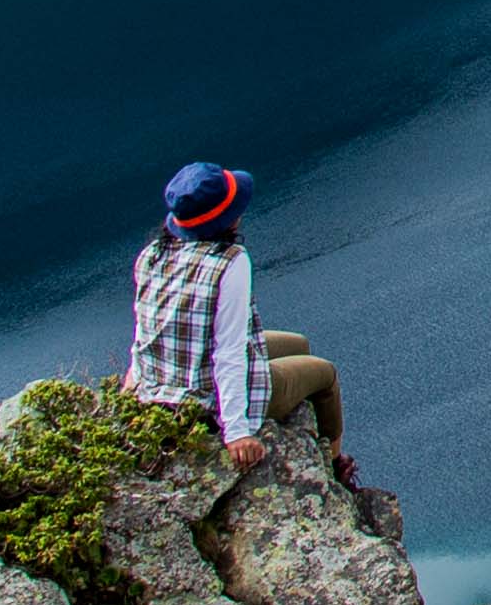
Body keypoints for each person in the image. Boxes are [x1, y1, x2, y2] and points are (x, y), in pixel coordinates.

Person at [121, 160, 350, 481]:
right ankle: (337, 469)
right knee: (325, 374)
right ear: (225, 219)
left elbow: (145, 326)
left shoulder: (153, 253)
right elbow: (227, 353)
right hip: (203, 399)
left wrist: (133, 380)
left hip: (161, 381)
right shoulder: (229, 263)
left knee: (298, 344)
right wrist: (236, 431)